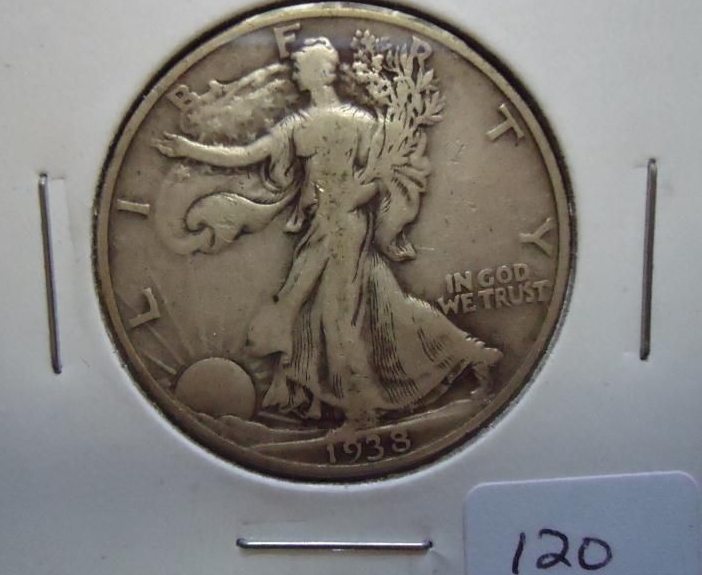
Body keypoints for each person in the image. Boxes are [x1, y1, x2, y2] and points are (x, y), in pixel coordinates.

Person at [155, 38, 500, 429]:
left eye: (302, 67)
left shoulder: (358, 123)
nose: (296, 73)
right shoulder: (308, 124)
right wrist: (189, 149)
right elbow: (246, 156)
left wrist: (357, 195)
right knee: (383, 304)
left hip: (345, 228)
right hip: (323, 226)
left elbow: (386, 173)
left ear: (320, 72)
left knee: (338, 318)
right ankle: (474, 355)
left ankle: (360, 409)